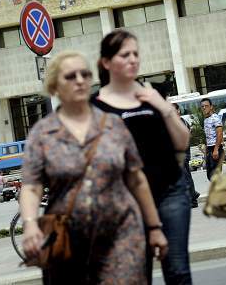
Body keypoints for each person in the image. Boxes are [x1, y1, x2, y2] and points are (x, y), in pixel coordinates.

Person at [20, 51, 167, 284]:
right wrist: (29, 225)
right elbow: (31, 186)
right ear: (54, 86)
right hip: (67, 240)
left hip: (122, 234)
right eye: (71, 76)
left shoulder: (113, 125)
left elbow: (136, 179)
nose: (80, 80)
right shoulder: (42, 133)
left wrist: (155, 227)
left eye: (85, 74)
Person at [91, 30, 193, 284]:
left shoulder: (151, 93)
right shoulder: (96, 106)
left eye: (136, 54)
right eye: (125, 55)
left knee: (178, 271)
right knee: (136, 275)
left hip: (171, 191)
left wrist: (163, 107)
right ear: (107, 62)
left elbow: (182, 141)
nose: (133, 59)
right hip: (126, 201)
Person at [174, 103, 200, 208]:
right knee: (184, 176)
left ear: (178, 111)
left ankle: (193, 198)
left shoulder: (182, 122)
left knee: (186, 176)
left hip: (183, 153)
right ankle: (192, 195)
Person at [202, 98, 223, 180]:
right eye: (202, 106)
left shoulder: (215, 118)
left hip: (215, 148)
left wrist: (216, 149)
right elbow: (208, 136)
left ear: (211, 107)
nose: (204, 108)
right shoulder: (206, 120)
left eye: (206, 106)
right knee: (210, 175)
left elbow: (220, 133)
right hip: (209, 149)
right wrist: (206, 150)